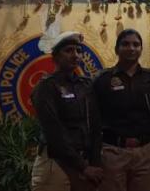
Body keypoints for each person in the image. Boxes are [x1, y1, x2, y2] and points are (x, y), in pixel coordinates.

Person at [31, 31, 103, 191]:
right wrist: (83, 167)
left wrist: (95, 163)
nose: (75, 55)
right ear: (55, 56)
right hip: (56, 163)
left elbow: (95, 126)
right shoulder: (46, 87)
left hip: (85, 163)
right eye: (68, 50)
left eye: (78, 51)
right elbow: (54, 133)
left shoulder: (85, 85)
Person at [93, 29, 150, 191]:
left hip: (145, 152)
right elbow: (94, 117)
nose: (131, 48)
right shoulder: (103, 79)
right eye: (126, 44)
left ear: (141, 49)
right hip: (113, 152)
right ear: (117, 49)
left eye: (136, 45)